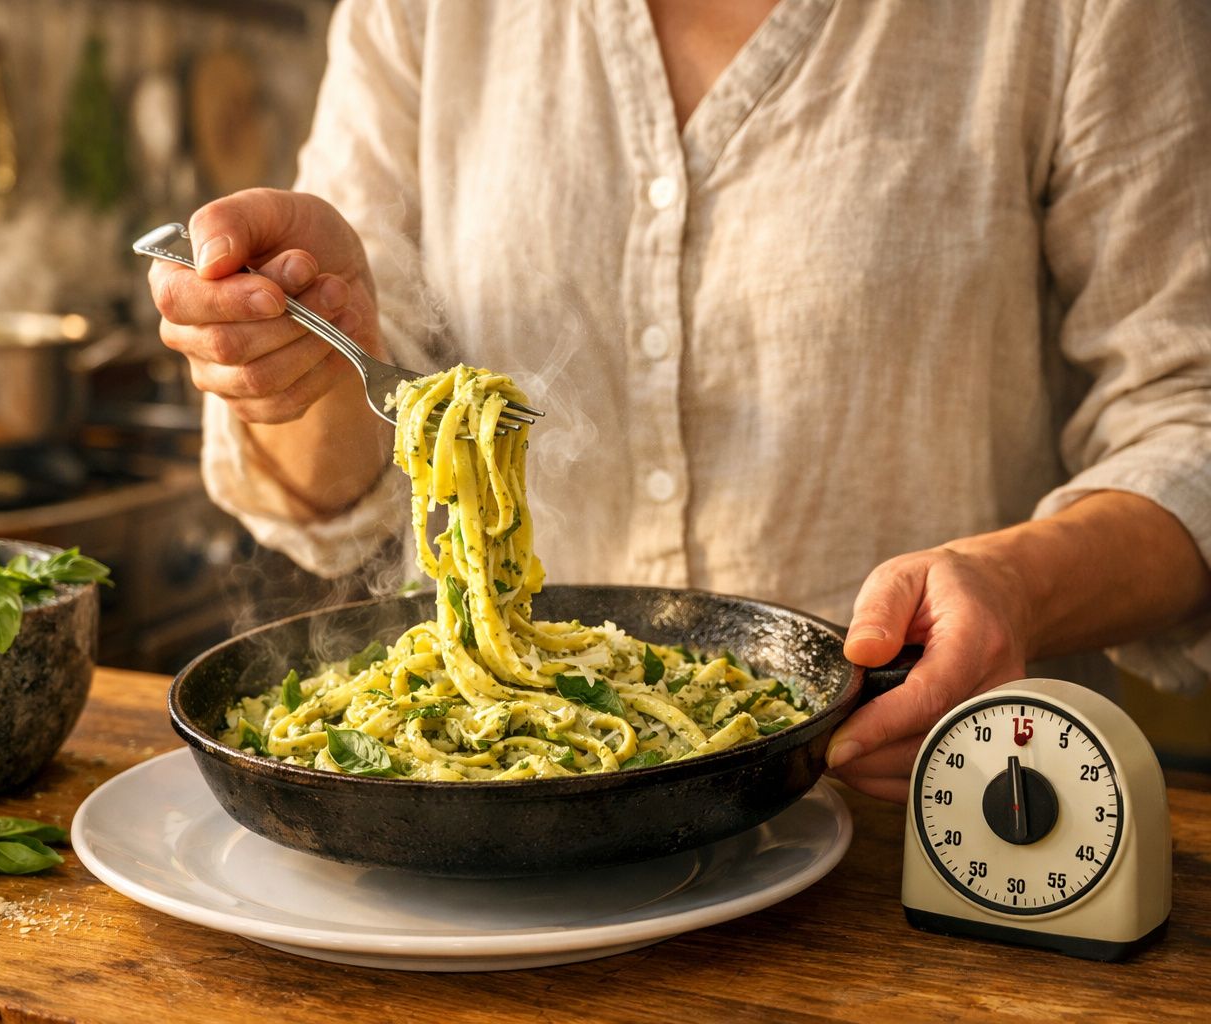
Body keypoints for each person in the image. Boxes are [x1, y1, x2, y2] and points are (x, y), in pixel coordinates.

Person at [147, 0, 1211, 800]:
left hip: (932, 813)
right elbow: (334, 487)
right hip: (474, 855)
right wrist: (307, 366)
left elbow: (1190, 415)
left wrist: (1018, 585)